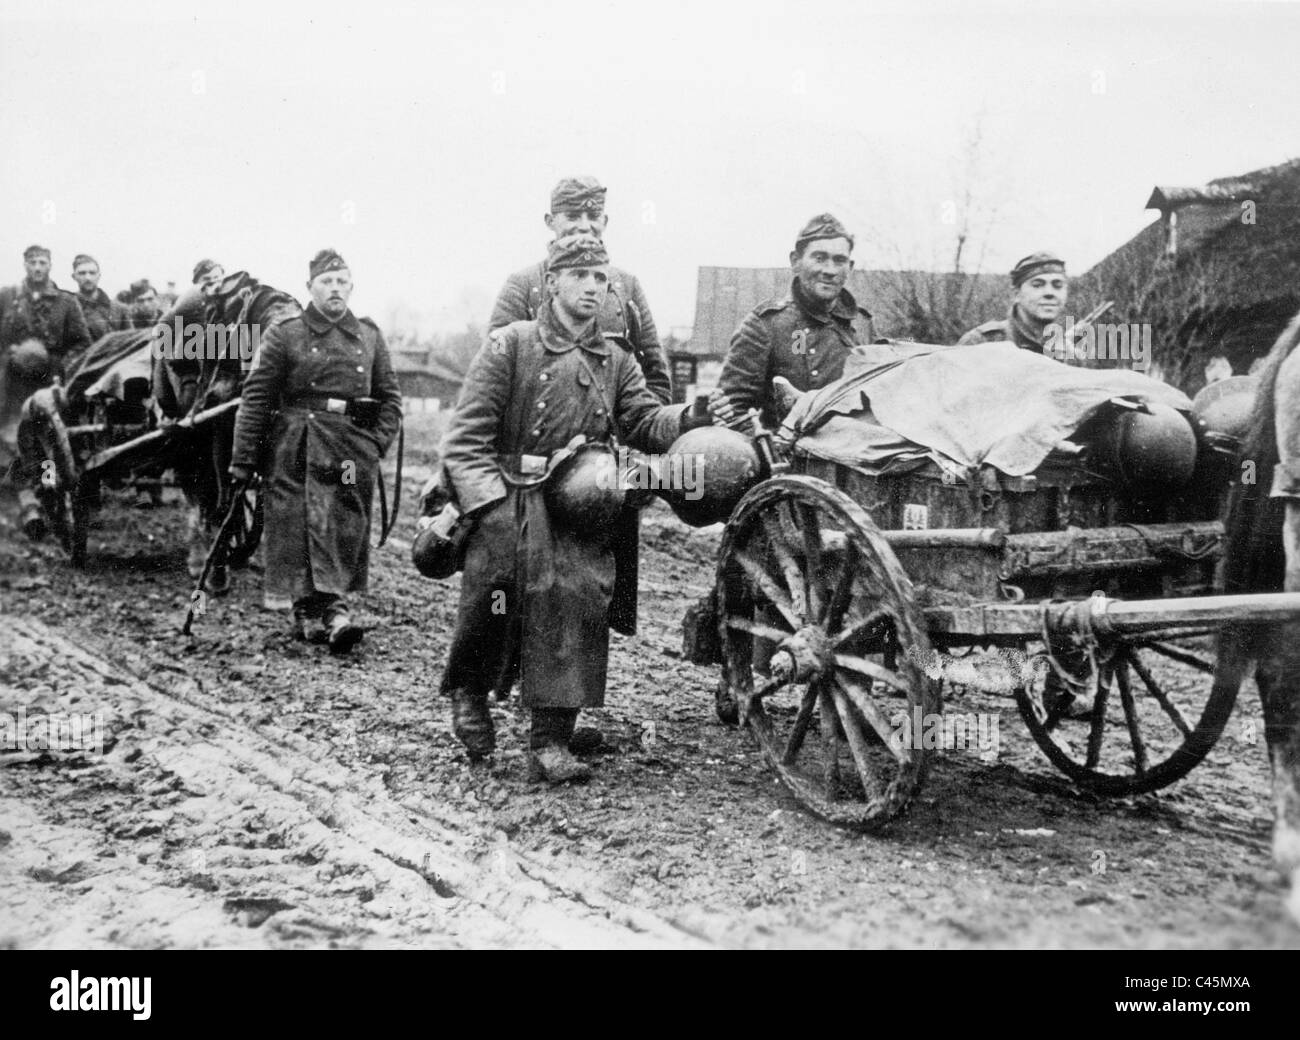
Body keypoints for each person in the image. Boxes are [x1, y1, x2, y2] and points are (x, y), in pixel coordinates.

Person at [440, 236, 705, 783]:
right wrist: (486, 505)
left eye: (601, 278)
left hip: (580, 497)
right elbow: (465, 438)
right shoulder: (512, 344)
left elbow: (643, 420)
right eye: (580, 274)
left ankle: (551, 739)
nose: (592, 286)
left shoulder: (617, 359)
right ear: (553, 282)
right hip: (508, 489)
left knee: (581, 593)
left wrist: (686, 417)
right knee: (496, 587)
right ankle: (469, 691)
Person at [229, 249, 402, 652]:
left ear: (352, 286)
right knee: (300, 525)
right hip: (296, 443)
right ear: (310, 288)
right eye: (327, 281)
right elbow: (256, 397)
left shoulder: (369, 335)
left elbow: (391, 398)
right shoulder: (286, 333)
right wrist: (243, 459)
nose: (335, 288)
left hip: (349, 448)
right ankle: (318, 612)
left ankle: (327, 611)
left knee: (341, 525)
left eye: (342, 280)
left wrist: (375, 444)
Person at [489, 175, 671, 405]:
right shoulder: (523, 284)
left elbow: (656, 379)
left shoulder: (627, 286)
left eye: (593, 216)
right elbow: (495, 376)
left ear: (604, 221)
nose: (584, 226)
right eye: (572, 216)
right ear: (550, 221)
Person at [710, 213, 875, 428]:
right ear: (795, 262)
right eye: (819, 258)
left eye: (839, 260)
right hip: (790, 455)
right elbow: (732, 414)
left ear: (850, 267)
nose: (830, 270)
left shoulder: (863, 324)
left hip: (858, 454)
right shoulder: (765, 325)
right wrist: (772, 449)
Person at [0, 246, 93, 536]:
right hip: (14, 382)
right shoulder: (8, 298)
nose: (37, 268)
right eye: (32, 263)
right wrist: (12, 353)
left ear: (51, 265)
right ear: (24, 265)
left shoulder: (66, 302)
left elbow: (82, 343)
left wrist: (59, 368)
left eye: (43, 262)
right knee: (15, 440)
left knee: (48, 439)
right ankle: (28, 504)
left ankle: (47, 493)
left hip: (50, 382)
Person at [957, 251, 1068, 352]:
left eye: (1057, 286)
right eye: (1037, 285)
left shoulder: (1071, 354)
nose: (1049, 293)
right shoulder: (981, 342)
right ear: (1016, 294)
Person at [70, 254, 130, 342]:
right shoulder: (69, 308)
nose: (88, 278)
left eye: (92, 273)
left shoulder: (119, 309)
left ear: (99, 275)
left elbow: (131, 341)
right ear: (74, 277)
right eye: (82, 273)